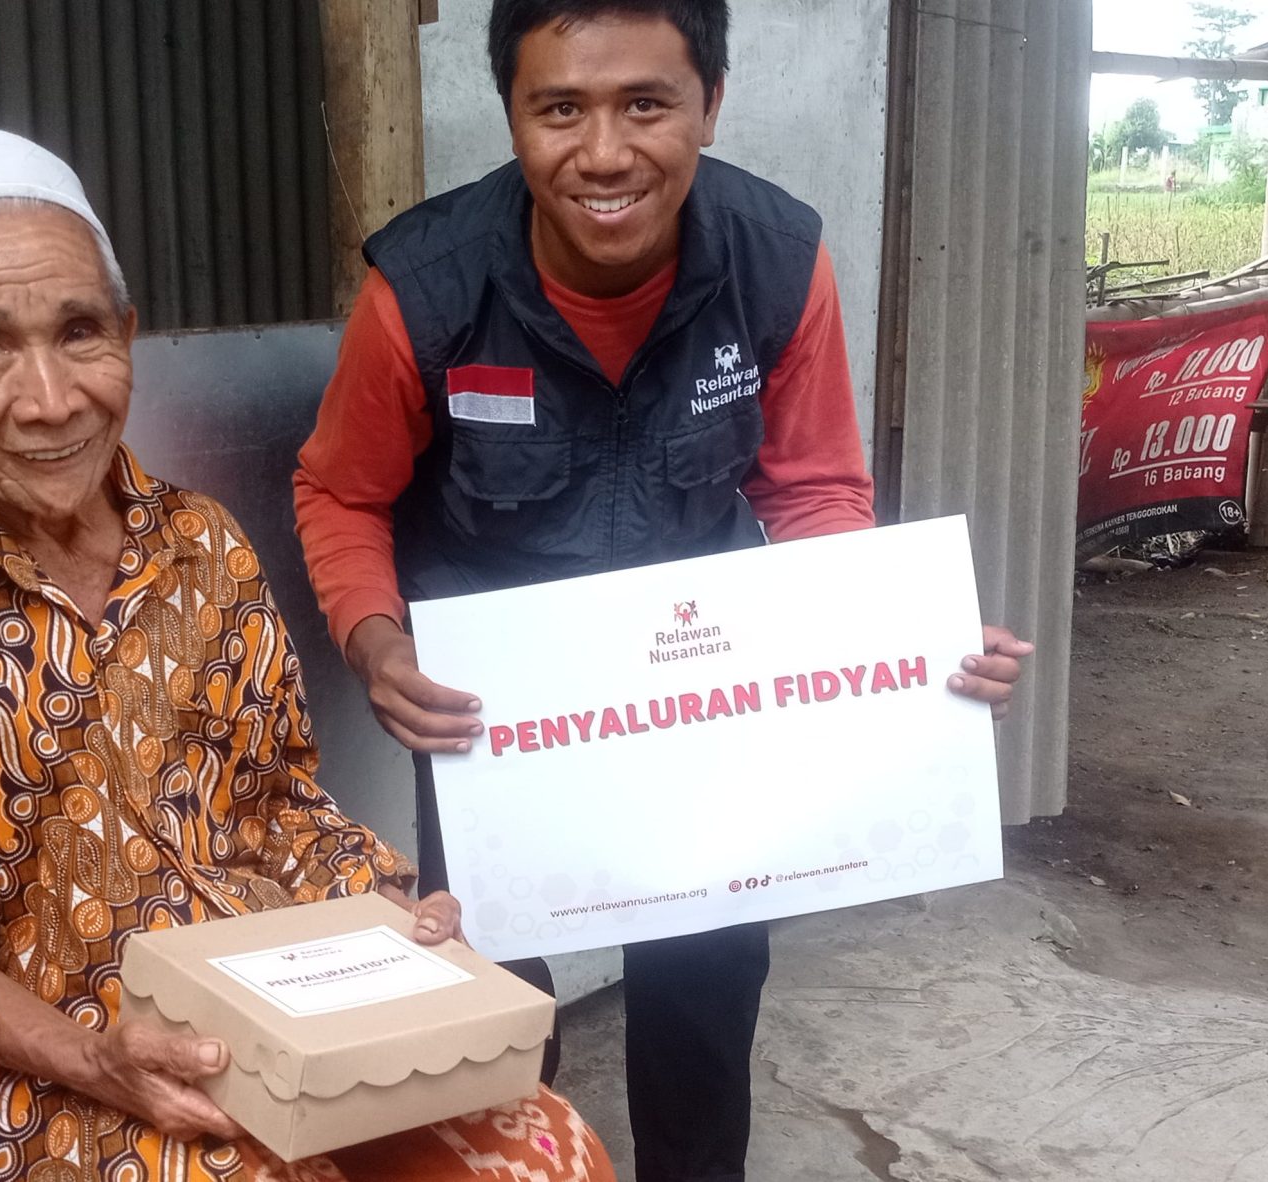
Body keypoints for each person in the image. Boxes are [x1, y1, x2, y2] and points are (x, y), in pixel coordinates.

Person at [0, 129, 617, 1182]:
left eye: (80, 332)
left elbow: (279, 806)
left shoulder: (201, 544)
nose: (50, 398)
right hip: (43, 1067)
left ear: (126, 335)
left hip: (274, 1006)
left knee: (547, 1151)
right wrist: (98, 1057)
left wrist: (388, 906)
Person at [291, 3, 1033, 1179]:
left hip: (699, 699)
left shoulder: (775, 262)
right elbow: (341, 492)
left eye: (645, 104)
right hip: (501, 719)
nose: (603, 153)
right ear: (512, 116)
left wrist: (892, 646)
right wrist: (377, 645)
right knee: (490, 998)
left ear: (710, 104)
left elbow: (813, 488)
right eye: (560, 109)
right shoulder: (426, 290)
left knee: (705, 982)